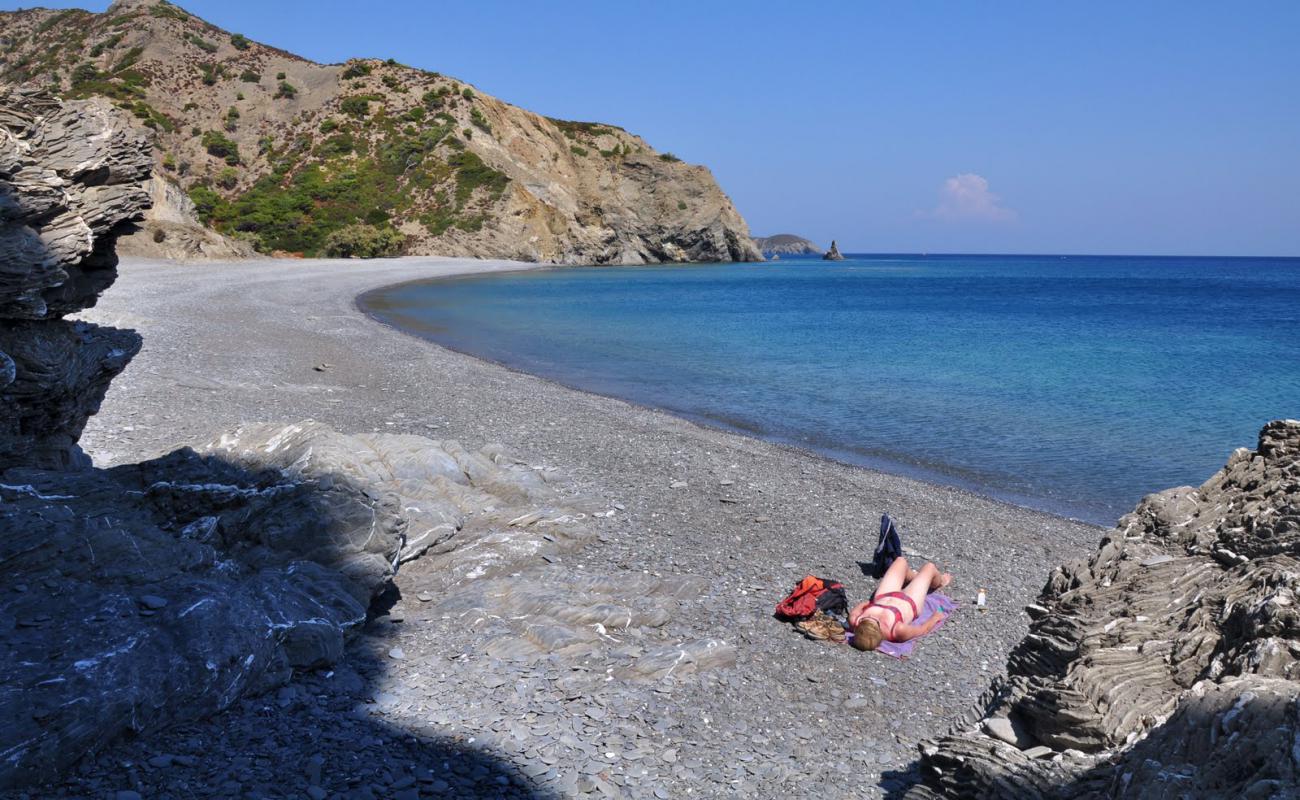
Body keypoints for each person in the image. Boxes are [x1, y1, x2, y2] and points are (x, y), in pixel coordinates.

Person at [847, 557, 951, 651]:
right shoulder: (898, 630)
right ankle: (940, 581)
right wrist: (935, 617)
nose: (871, 617)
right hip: (910, 601)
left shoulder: (855, 620)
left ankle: (913, 577)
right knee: (930, 567)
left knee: (900, 561)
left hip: (884, 595)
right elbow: (922, 630)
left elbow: (863, 604)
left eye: (869, 618)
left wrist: (870, 605)